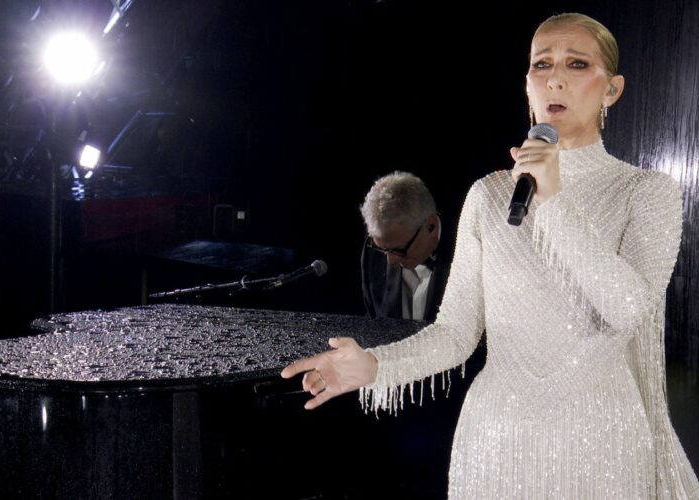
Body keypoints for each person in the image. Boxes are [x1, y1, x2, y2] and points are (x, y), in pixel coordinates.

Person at [282, 13, 699, 499]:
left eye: (577, 63)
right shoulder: (488, 194)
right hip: (495, 443)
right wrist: (374, 366)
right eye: (541, 64)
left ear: (612, 89)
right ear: (527, 84)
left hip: (602, 445)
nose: (555, 77)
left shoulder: (646, 192)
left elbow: (628, 309)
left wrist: (555, 200)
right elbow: (456, 333)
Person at [360, 172, 447, 321]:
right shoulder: (373, 253)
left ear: (431, 227)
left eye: (398, 250)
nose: (390, 260)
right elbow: (374, 324)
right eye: (382, 249)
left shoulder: (471, 254)